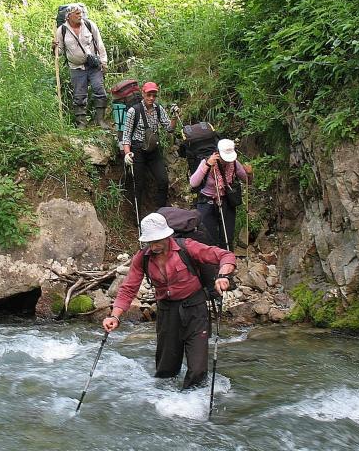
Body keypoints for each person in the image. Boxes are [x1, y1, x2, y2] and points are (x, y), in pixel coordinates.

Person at [102, 213, 236, 389]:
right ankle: (165, 404)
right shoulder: (142, 258)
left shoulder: (187, 247)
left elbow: (225, 255)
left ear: (167, 236)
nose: (154, 245)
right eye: (150, 241)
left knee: (197, 370)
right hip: (167, 313)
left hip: (195, 310)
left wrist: (223, 276)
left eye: (158, 240)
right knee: (165, 371)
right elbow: (128, 288)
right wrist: (115, 316)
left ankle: (192, 405)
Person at [122, 82, 179, 215]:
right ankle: (137, 214)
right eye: (149, 95)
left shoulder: (158, 109)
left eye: (154, 95)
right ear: (143, 94)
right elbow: (126, 135)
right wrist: (127, 153)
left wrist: (174, 117)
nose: (151, 98)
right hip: (137, 150)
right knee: (138, 184)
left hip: (153, 150)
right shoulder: (133, 111)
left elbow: (169, 128)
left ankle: (161, 212)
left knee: (163, 180)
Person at [53, 4, 110, 129]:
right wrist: (54, 47)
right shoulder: (61, 30)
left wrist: (103, 63)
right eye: (77, 14)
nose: (80, 16)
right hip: (76, 68)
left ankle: (100, 120)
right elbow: (60, 52)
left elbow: (100, 44)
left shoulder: (89, 25)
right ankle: (81, 124)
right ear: (69, 16)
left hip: (94, 66)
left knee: (99, 91)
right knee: (79, 96)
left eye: (81, 13)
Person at [189, 139, 253, 250]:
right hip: (207, 201)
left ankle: (228, 261)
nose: (227, 161)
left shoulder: (234, 163)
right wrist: (208, 166)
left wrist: (250, 173)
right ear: (218, 152)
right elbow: (193, 183)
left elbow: (247, 180)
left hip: (226, 201)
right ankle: (211, 263)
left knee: (227, 236)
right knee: (208, 236)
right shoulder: (206, 162)